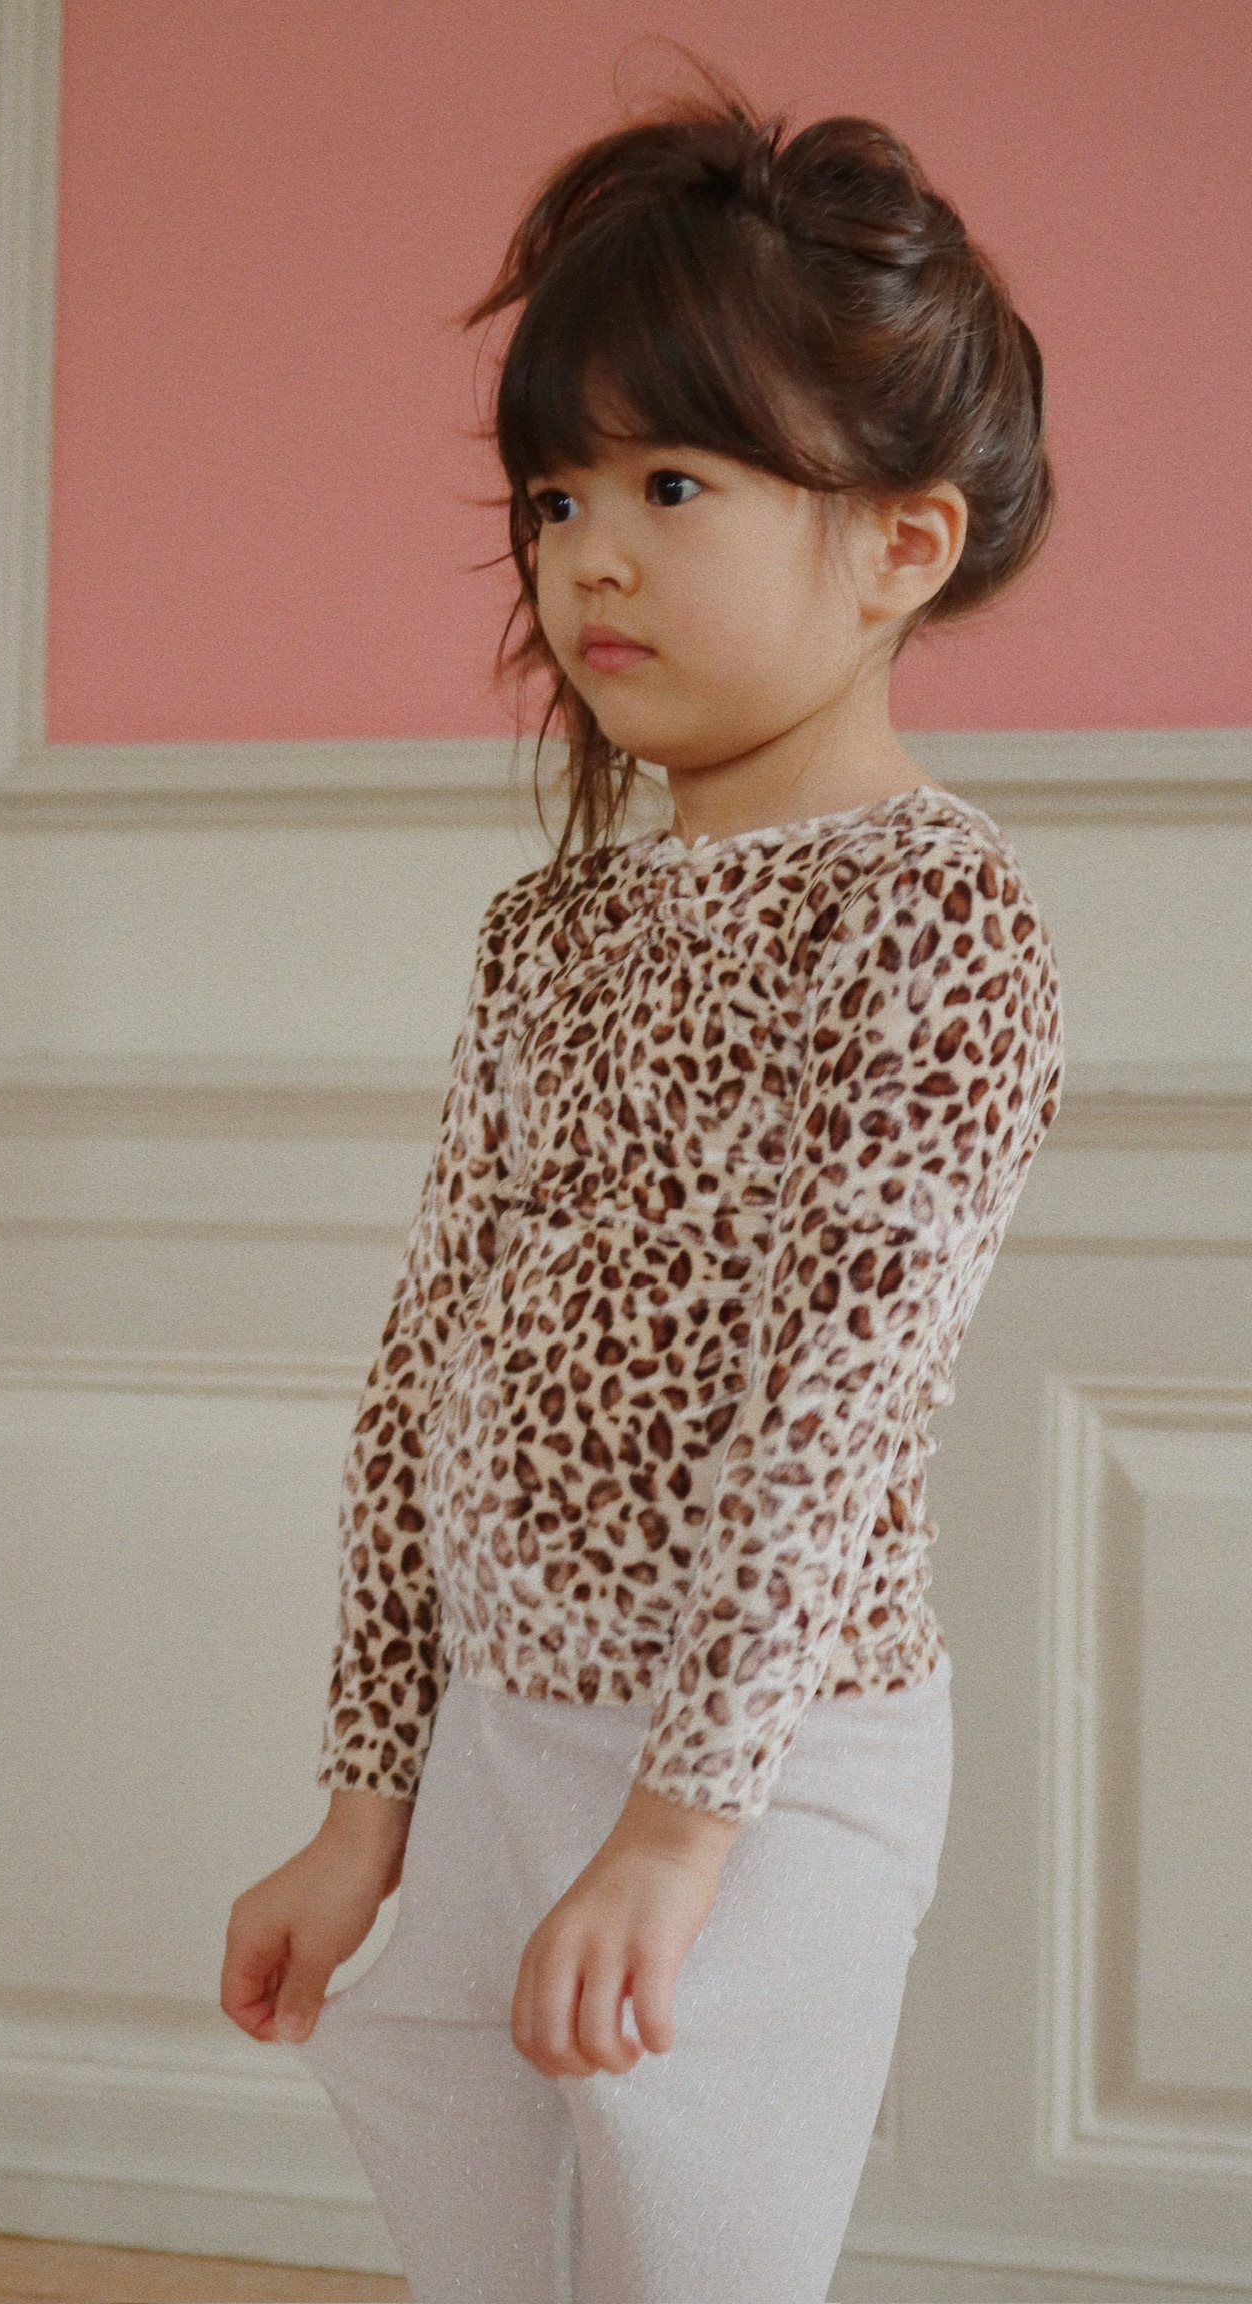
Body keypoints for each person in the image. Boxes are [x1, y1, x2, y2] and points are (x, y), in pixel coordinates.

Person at [220, 65, 1065, 2304]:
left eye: (671, 482)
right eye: (554, 494)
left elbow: (834, 1417)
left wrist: (682, 1834)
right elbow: (427, 1373)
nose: (587, 552)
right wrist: (369, 1805)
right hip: (500, 1735)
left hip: (763, 1774)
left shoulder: (930, 917)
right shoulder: (554, 931)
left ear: (900, 544)